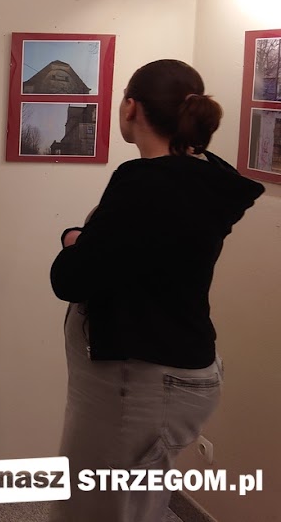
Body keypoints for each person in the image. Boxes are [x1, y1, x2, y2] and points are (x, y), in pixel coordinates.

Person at [48, 59, 263, 522]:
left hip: (139, 383)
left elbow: (71, 280)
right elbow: (143, 253)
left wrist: (73, 242)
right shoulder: (206, 175)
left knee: (97, 509)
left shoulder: (146, 183)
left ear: (130, 107)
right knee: (136, 504)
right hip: (176, 373)